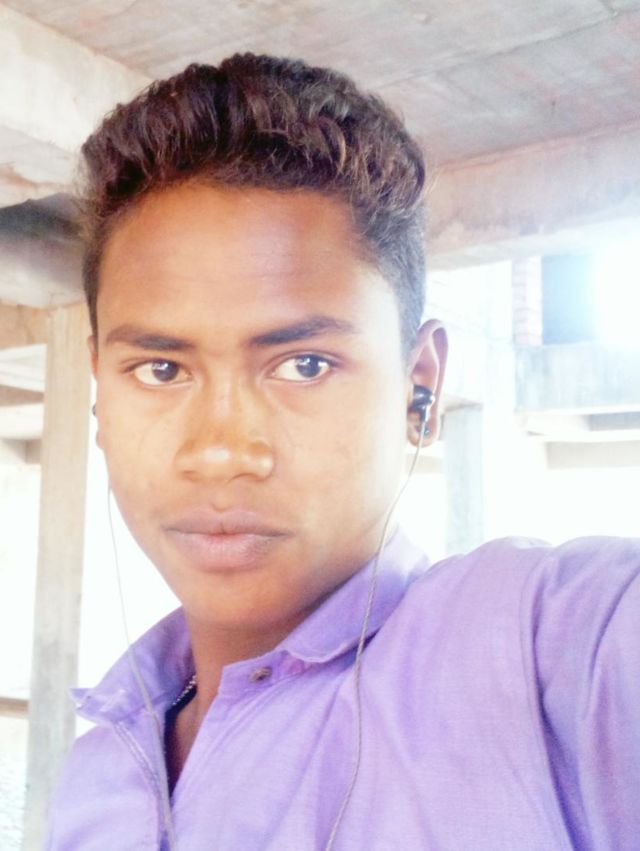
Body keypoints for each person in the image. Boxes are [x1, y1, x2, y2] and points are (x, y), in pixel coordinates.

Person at [46, 54, 639, 851]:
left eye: (304, 364)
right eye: (161, 369)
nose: (221, 452)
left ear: (420, 386)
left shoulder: (545, 654)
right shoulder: (99, 768)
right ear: (99, 386)